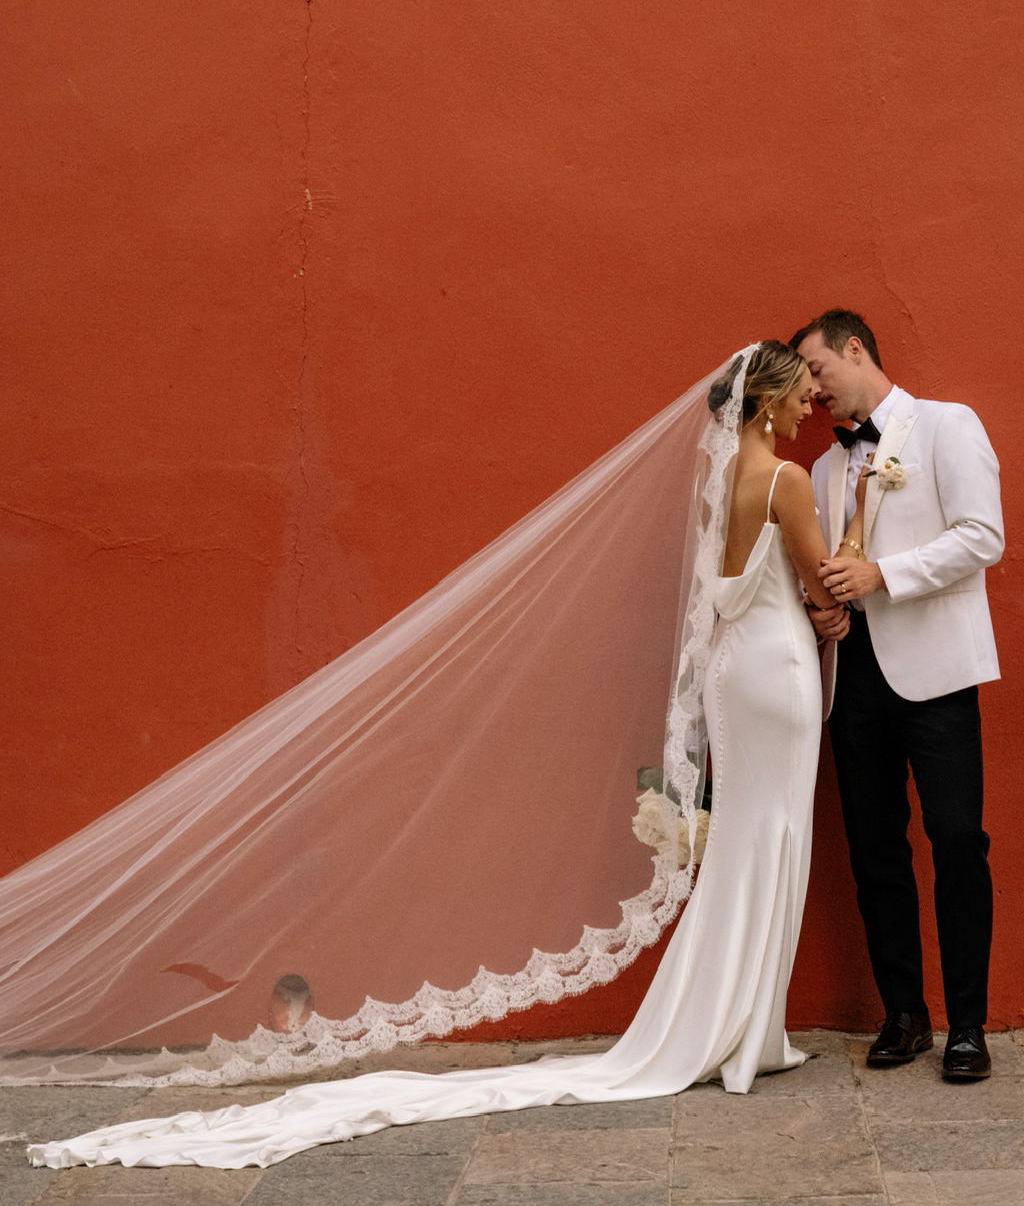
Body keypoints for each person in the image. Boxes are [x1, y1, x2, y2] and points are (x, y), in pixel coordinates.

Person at [25, 342, 835, 1170]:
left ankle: (730, 1024)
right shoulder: (788, 481)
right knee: (774, 833)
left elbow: (717, 588)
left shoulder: (715, 483)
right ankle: (744, 1032)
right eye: (802, 396)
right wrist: (843, 597)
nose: (812, 408)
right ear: (766, 400)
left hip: (737, 674)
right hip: (778, 667)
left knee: (745, 835)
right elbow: (820, 581)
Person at [791, 309, 1002, 1083]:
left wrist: (886, 574)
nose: (810, 391)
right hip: (853, 680)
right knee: (876, 851)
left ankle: (968, 1027)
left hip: (936, 677)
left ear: (856, 350)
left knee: (956, 843)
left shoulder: (948, 426)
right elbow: (820, 576)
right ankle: (904, 1015)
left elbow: (985, 536)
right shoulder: (818, 473)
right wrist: (823, 607)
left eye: (817, 371)